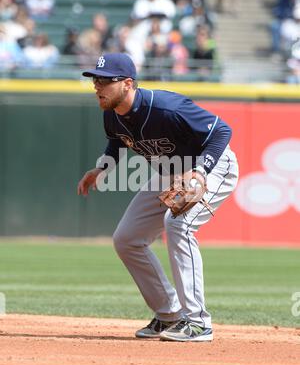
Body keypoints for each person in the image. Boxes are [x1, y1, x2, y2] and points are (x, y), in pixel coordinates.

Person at [77, 52, 239, 342]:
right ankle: (168, 315)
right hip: (168, 172)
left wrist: (199, 174)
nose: (97, 87)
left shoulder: (167, 107)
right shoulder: (110, 113)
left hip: (213, 166)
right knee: (126, 239)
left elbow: (221, 131)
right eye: (95, 80)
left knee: (179, 225)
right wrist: (101, 167)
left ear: (127, 83)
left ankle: (198, 322)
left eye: (105, 81)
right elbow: (116, 142)